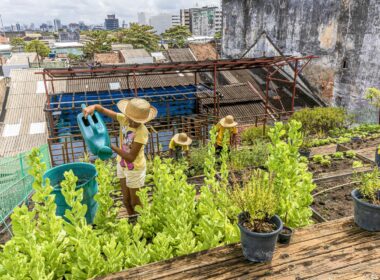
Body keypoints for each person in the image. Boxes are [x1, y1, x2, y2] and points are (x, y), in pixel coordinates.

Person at [83, 98, 157, 216]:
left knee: (135, 203)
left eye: (137, 121)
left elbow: (131, 157)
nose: (133, 123)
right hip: (122, 164)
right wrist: (93, 107)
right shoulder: (124, 119)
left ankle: (142, 225)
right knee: (126, 201)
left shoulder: (142, 131)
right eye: (131, 119)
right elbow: (101, 109)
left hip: (135, 168)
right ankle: (132, 222)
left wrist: (110, 146)